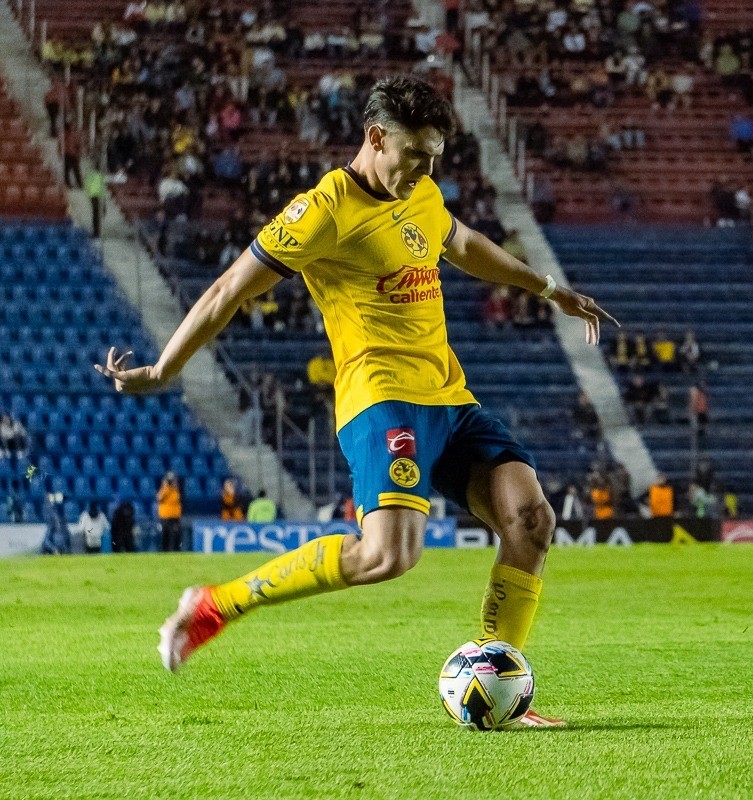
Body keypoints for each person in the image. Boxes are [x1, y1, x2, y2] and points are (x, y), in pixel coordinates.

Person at [95, 76, 615, 728]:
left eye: (435, 157)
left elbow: (461, 243)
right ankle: (214, 605)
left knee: (531, 521)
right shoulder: (324, 210)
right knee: (389, 556)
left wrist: (545, 287)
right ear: (376, 137)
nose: (427, 170)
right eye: (417, 154)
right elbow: (230, 288)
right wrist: (166, 367)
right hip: (382, 399)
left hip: (450, 395)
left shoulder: (419, 191)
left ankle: (498, 688)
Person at [157, 473, 183, 552]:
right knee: (165, 535)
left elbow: (178, 500)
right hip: (165, 516)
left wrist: (174, 488)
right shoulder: (164, 489)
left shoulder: (177, 490)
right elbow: (159, 498)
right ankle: (165, 551)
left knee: (176, 534)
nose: (171, 482)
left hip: (174, 516)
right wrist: (166, 488)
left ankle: (176, 551)